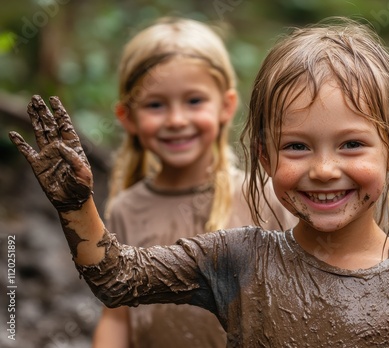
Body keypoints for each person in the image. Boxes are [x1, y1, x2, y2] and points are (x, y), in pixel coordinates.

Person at [9, 17, 389, 347]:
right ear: (265, 156)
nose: (324, 169)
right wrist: (75, 206)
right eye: (297, 147)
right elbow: (118, 280)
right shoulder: (238, 258)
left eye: (351, 145)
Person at [89, 16, 295, 348]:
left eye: (194, 101)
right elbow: (117, 315)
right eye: (156, 105)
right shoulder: (126, 210)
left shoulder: (265, 197)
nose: (176, 120)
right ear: (127, 117)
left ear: (226, 106)